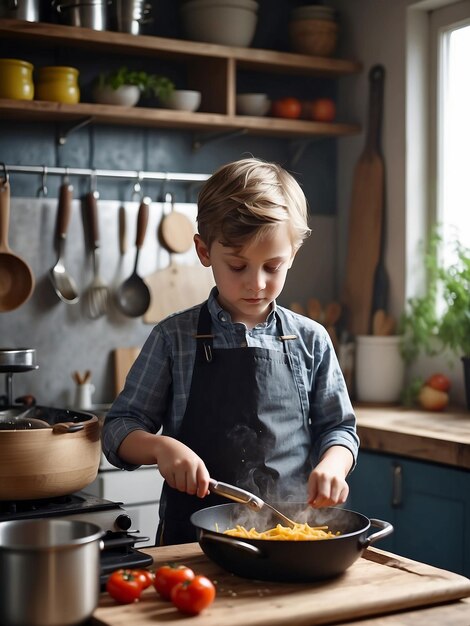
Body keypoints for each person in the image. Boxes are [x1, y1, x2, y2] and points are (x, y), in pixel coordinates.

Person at [102, 157, 359, 545]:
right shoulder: (174, 337)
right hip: (192, 544)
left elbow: (339, 429)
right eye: (237, 266)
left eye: (273, 267)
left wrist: (333, 466)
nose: (255, 283)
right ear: (204, 251)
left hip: (290, 540)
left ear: (293, 254)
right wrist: (160, 447)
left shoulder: (311, 340)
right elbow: (118, 430)